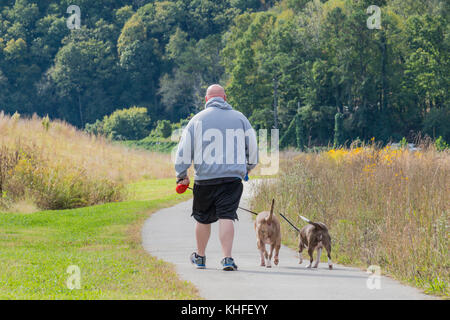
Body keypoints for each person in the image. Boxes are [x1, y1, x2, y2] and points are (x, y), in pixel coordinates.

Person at [175, 84, 258, 271]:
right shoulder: (240, 118)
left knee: (202, 218)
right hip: (231, 180)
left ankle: (201, 257)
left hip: (205, 179)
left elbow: (183, 151)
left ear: (206, 99)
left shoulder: (196, 120)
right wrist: (247, 168)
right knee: (227, 216)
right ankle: (227, 259)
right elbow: (252, 148)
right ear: (225, 98)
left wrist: (182, 175)